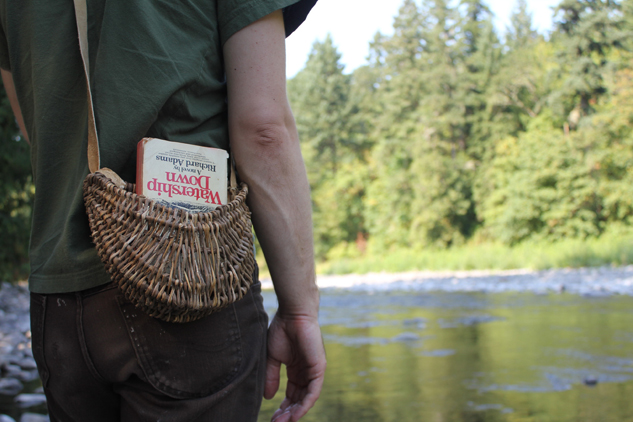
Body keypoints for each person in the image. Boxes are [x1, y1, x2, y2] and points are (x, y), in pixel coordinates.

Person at [0, 1, 326, 421]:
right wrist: (300, 310)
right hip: (191, 279)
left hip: (60, 299)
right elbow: (264, 129)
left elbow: (37, 128)